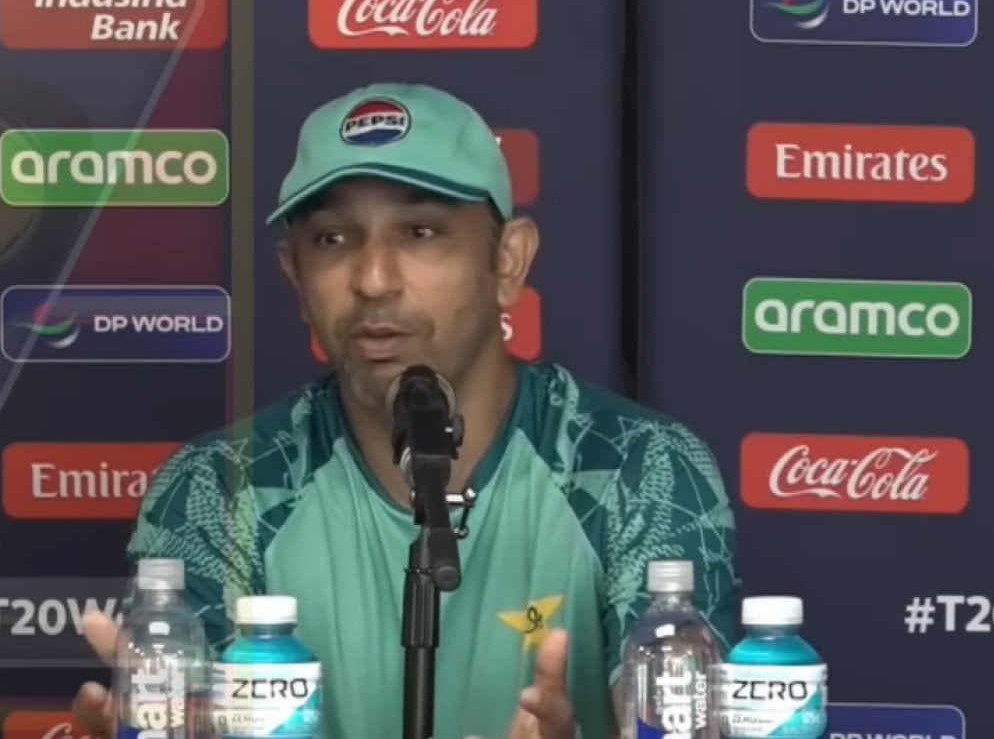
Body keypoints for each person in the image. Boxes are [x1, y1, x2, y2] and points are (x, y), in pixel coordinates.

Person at [72, 83, 740, 739]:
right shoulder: (221, 487)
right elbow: (181, 718)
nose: (373, 280)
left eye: (421, 233)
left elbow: (681, 708)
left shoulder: (636, 466)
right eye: (332, 239)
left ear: (508, 261)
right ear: (295, 275)